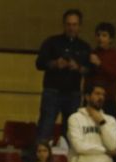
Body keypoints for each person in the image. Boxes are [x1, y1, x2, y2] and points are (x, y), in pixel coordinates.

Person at [35, 9, 88, 144]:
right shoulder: (52, 42)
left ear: (80, 26)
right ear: (64, 25)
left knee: (72, 131)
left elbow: (90, 70)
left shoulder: (84, 47)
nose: (71, 27)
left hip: (73, 93)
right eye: (69, 24)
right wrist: (55, 63)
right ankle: (39, 161)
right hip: (52, 91)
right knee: (45, 128)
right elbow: (39, 63)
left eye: (74, 24)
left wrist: (78, 67)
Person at [85, 22, 116, 116]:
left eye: (104, 35)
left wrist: (100, 64)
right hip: (92, 99)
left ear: (111, 39)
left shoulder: (115, 55)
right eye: (98, 35)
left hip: (108, 99)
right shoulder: (92, 53)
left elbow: (115, 74)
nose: (100, 38)